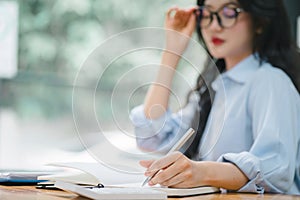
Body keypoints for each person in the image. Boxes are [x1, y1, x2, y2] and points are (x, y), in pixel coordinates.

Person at [130, 0, 300, 194]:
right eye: (206, 14)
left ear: (259, 22)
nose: (213, 26)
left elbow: (276, 168)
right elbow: (153, 136)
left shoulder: (270, 80)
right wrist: (172, 51)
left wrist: (201, 172)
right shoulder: (215, 87)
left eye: (229, 12)